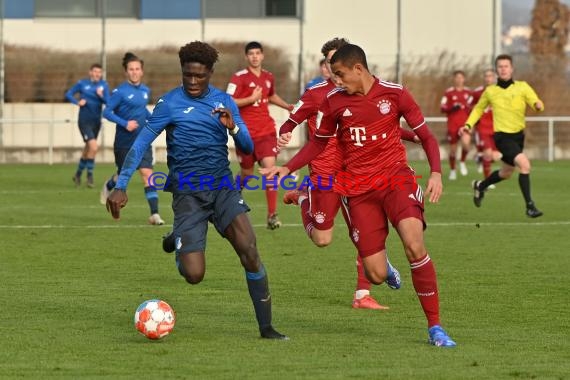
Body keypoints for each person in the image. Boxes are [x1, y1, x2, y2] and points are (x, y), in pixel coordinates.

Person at [262, 44, 456, 347]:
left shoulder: (395, 94)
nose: (336, 81)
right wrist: (286, 168)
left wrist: (435, 173)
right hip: (358, 191)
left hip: (395, 180)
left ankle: (435, 328)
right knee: (376, 275)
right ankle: (307, 200)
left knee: (414, 243)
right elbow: (318, 144)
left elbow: (427, 136)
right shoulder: (333, 102)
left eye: (339, 75)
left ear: (358, 69)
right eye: (332, 75)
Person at [106, 41, 287, 340]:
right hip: (188, 193)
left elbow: (248, 148)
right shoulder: (169, 103)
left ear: (210, 73)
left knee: (250, 251)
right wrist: (121, 184)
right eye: (187, 75)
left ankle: (266, 328)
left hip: (221, 187)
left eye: (199, 76)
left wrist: (234, 128)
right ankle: (178, 237)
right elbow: (141, 143)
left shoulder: (224, 102)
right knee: (194, 275)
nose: (192, 81)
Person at [279, 37, 415, 310]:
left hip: (354, 171)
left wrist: (413, 136)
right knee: (322, 239)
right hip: (324, 173)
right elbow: (292, 119)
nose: (334, 68)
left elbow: (381, 125)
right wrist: (285, 132)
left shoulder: (363, 92)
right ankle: (305, 198)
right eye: (331, 63)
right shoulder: (317, 95)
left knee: (362, 230)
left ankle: (362, 294)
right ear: (326, 66)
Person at [461, 54, 544, 218]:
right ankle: (530, 206)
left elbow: (535, 101)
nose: (503, 69)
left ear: (512, 69)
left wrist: (538, 105)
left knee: (506, 172)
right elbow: (478, 109)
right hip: (502, 137)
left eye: (506, 66)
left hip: (518, 136)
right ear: (496, 70)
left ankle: (481, 186)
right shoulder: (491, 91)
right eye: (500, 67)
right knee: (525, 165)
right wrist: (468, 125)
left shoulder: (522, 87)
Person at [226, 41, 294, 230]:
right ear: (246, 57)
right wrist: (250, 99)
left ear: (262, 55)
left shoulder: (268, 77)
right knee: (246, 173)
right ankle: (231, 196)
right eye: (251, 54)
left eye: (258, 53)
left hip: (266, 131)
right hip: (245, 134)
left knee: (270, 169)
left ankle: (272, 215)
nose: (255, 56)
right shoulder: (238, 78)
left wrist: (287, 106)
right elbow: (228, 101)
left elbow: (271, 95)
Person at [101, 52, 164, 225]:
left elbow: (142, 111)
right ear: (126, 72)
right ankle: (109, 185)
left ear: (142, 71)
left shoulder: (145, 90)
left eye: (137, 69)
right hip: (124, 142)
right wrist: (124, 123)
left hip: (142, 140)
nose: (134, 72)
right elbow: (106, 112)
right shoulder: (120, 92)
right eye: (131, 69)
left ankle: (154, 214)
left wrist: (156, 120)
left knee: (147, 174)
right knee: (123, 176)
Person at [66, 63, 110, 188]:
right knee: (94, 147)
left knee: (88, 149)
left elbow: (109, 102)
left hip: (96, 121)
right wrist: (77, 102)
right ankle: (89, 176)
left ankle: (78, 174)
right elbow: (68, 94)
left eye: (99, 72)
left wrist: (101, 96)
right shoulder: (82, 83)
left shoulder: (103, 86)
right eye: (95, 72)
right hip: (84, 121)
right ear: (90, 72)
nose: (97, 74)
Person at [469, 69, 502, 182]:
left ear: (495, 78)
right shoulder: (477, 92)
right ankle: (487, 181)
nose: (488, 78)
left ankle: (480, 158)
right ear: (484, 78)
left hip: (497, 128)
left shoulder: (500, 91)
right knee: (488, 154)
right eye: (486, 76)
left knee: (496, 156)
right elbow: (468, 106)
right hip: (482, 128)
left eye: (491, 76)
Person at [440, 70, 472, 180]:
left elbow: (474, 107)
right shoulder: (448, 93)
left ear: (464, 79)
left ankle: (462, 161)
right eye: (457, 77)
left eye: (461, 77)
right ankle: (453, 170)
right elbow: (442, 107)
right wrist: (451, 108)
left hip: (465, 125)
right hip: (452, 125)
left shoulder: (469, 93)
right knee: (453, 150)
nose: (459, 79)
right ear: (454, 79)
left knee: (466, 143)